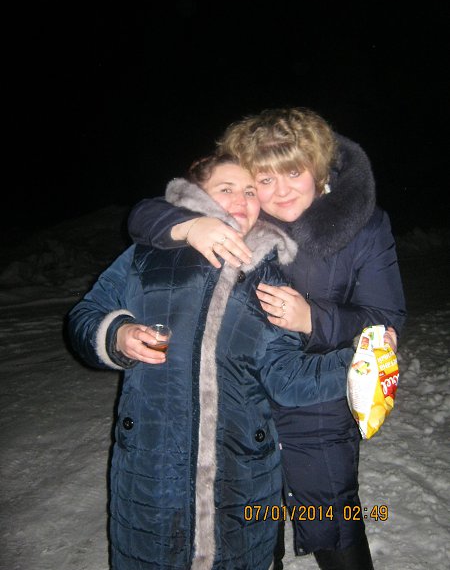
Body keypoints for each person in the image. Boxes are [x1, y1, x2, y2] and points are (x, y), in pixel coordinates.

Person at [127, 108, 406, 570]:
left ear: (318, 169)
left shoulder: (364, 227)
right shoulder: (239, 217)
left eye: (293, 173)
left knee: (334, 527)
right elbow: (146, 214)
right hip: (239, 411)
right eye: (264, 179)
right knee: (253, 540)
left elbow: (386, 321)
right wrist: (191, 226)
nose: (279, 192)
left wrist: (313, 319)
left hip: (316, 410)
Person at [67, 154, 366, 570]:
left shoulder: (270, 278)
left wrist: (357, 364)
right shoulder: (147, 256)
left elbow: (284, 378)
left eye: (250, 191)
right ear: (197, 194)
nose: (242, 200)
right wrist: (116, 334)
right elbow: (84, 316)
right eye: (227, 189)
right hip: (151, 469)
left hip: (242, 477)